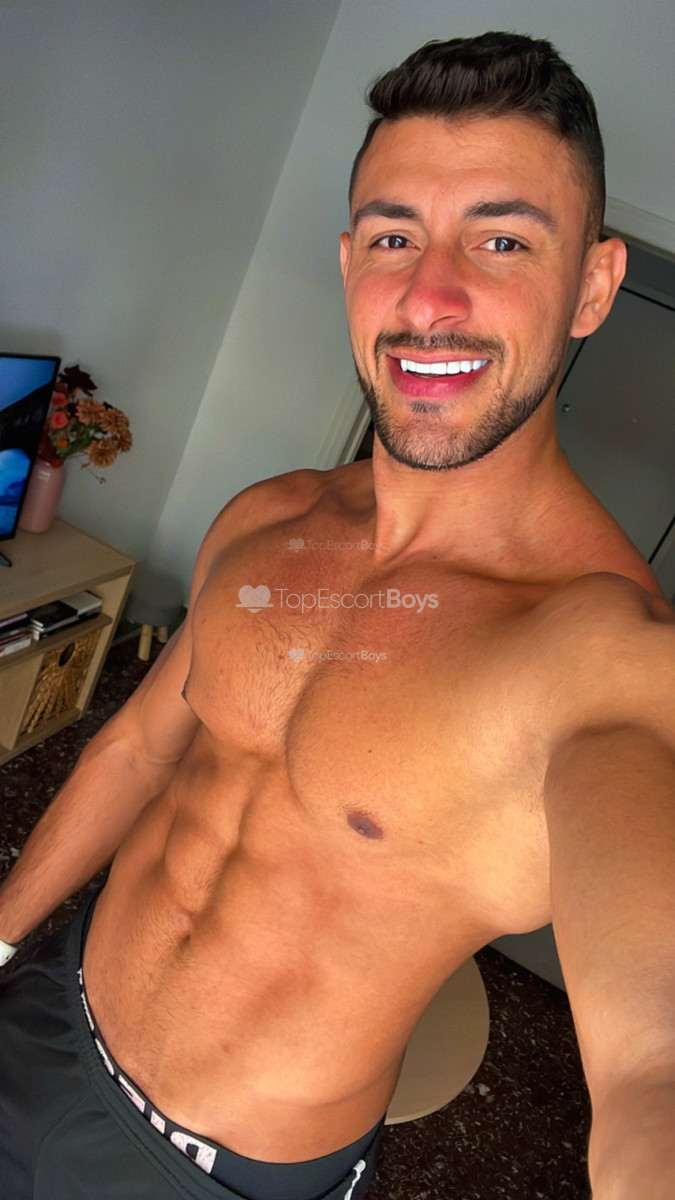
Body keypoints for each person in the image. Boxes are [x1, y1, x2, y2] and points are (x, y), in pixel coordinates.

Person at [1, 30, 673, 1200]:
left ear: (594, 287)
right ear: (350, 259)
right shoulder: (271, 518)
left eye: (503, 240)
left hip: (206, 1172)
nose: (430, 297)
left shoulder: (606, 660)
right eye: (394, 236)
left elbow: (653, 1063)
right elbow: (143, 743)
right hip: (54, 1000)